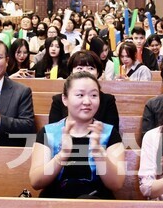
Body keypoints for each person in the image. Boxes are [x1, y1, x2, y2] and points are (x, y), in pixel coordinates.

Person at [29, 71, 125, 199]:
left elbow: (116, 184)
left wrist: (98, 153)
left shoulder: (109, 133)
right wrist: (62, 156)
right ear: (65, 99)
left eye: (94, 95)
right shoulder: (48, 132)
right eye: (80, 95)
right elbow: (36, 182)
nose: (87, 101)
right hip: (56, 202)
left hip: (96, 201)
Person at [48, 50, 120, 128]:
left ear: (98, 73)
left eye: (91, 68)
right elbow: (52, 133)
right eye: (79, 68)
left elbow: (112, 133)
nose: (85, 71)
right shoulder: (59, 100)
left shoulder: (108, 100)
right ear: (71, 72)